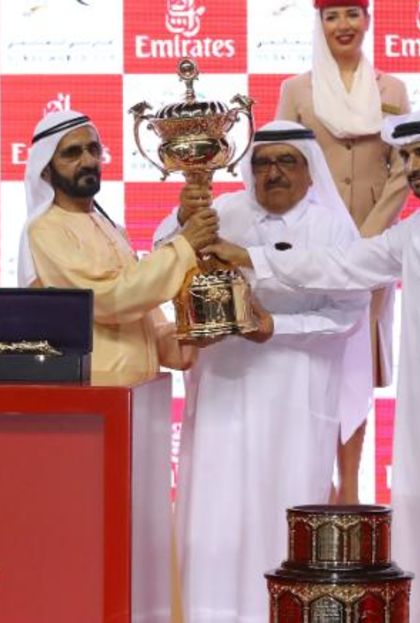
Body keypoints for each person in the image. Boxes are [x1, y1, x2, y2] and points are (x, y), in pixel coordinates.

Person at [205, 111, 420, 622]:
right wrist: (252, 256)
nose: (413, 167)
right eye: (407, 157)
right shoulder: (413, 233)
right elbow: (342, 265)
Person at [155, 121, 372, 623]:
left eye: (285, 162)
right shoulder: (223, 213)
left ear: (309, 170)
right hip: (223, 394)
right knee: (215, 510)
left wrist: (278, 326)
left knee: (284, 506)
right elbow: (163, 260)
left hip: (297, 395)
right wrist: (183, 215)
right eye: (261, 164)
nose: (272, 173)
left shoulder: (333, 228)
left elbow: (347, 314)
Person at [277, 0, 412, 504]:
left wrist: (371, 235)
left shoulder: (391, 90)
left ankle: (351, 488)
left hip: (373, 251)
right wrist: (326, 233)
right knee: (315, 362)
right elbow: (281, 163)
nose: (343, 26)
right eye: (333, 16)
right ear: (320, 23)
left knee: (357, 365)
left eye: (353, 14)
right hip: (315, 249)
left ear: (368, 20)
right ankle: (315, 483)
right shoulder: (297, 90)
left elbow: (404, 167)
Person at [18, 109, 219, 383]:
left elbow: (148, 322)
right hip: (91, 396)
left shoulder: (111, 229)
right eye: (72, 153)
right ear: (46, 169)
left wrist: (193, 334)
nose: (88, 160)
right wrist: (184, 245)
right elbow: (108, 299)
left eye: (93, 149)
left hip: (137, 393)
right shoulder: (45, 229)